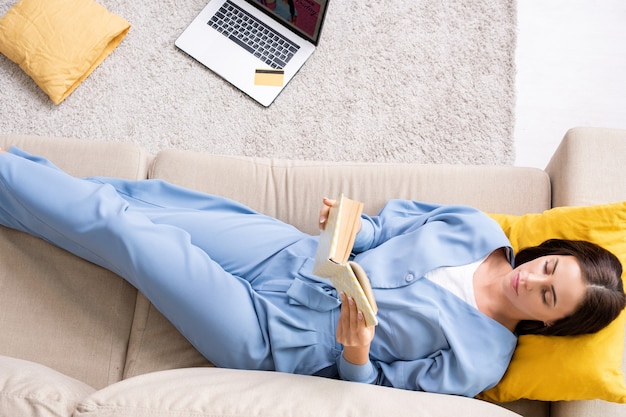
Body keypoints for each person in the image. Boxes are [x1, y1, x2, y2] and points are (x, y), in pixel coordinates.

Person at [0, 147, 624, 397]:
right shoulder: (478, 230)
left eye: (547, 297)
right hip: (291, 256)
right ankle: (18, 187)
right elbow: (387, 228)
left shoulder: (484, 359)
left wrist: (355, 353)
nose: (532, 282)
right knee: (152, 199)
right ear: (550, 250)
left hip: (271, 337)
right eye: (547, 267)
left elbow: (377, 390)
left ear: (550, 323)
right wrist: (347, 224)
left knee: (130, 232)